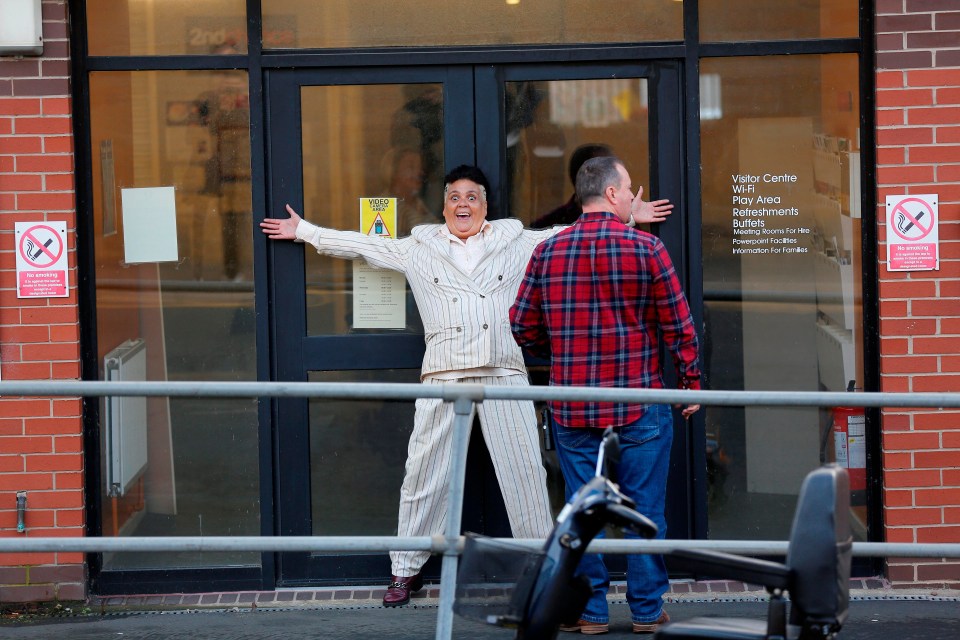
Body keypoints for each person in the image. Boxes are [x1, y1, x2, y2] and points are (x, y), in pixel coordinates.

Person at [260, 164, 673, 608]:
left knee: (525, 475)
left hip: (503, 374)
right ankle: (405, 570)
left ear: (486, 206)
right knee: (423, 476)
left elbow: (570, 233)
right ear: (443, 207)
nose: (463, 204)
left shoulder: (515, 242)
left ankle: (543, 572)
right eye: (454, 197)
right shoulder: (419, 249)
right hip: (444, 376)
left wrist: (627, 217)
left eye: (472, 197)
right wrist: (304, 230)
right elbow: (364, 244)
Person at [510, 156, 701, 635]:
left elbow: (520, 325)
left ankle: (592, 611)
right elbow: (679, 325)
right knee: (644, 508)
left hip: (573, 404)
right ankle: (644, 611)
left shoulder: (549, 252)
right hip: (639, 401)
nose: (633, 195)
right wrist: (691, 383)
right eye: (630, 188)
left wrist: (558, 351)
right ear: (614, 195)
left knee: (581, 508)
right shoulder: (646, 249)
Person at [530, 143, 674, 229]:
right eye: (607, 168)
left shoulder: (631, 223)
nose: (631, 195)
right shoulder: (547, 225)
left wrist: (630, 219)